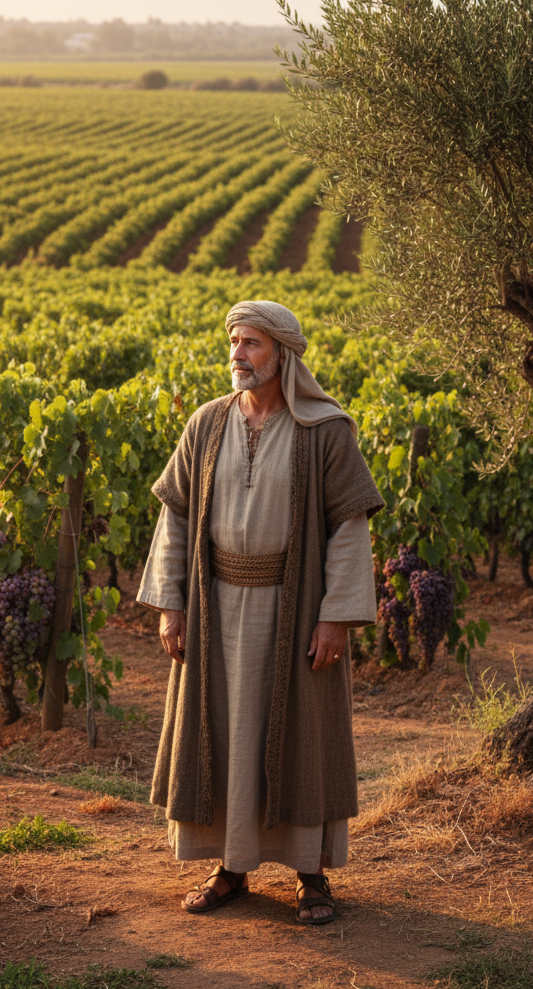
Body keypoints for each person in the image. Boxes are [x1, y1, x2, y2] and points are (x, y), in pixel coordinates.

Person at [136, 300, 383, 924]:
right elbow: (177, 519)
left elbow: (349, 530)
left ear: (284, 354)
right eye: (234, 342)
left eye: (251, 343)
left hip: (294, 614)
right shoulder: (207, 423)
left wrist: (336, 617)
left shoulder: (326, 431)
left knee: (299, 737)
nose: (238, 354)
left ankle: (310, 876)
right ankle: (230, 870)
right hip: (214, 609)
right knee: (221, 735)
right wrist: (172, 606)